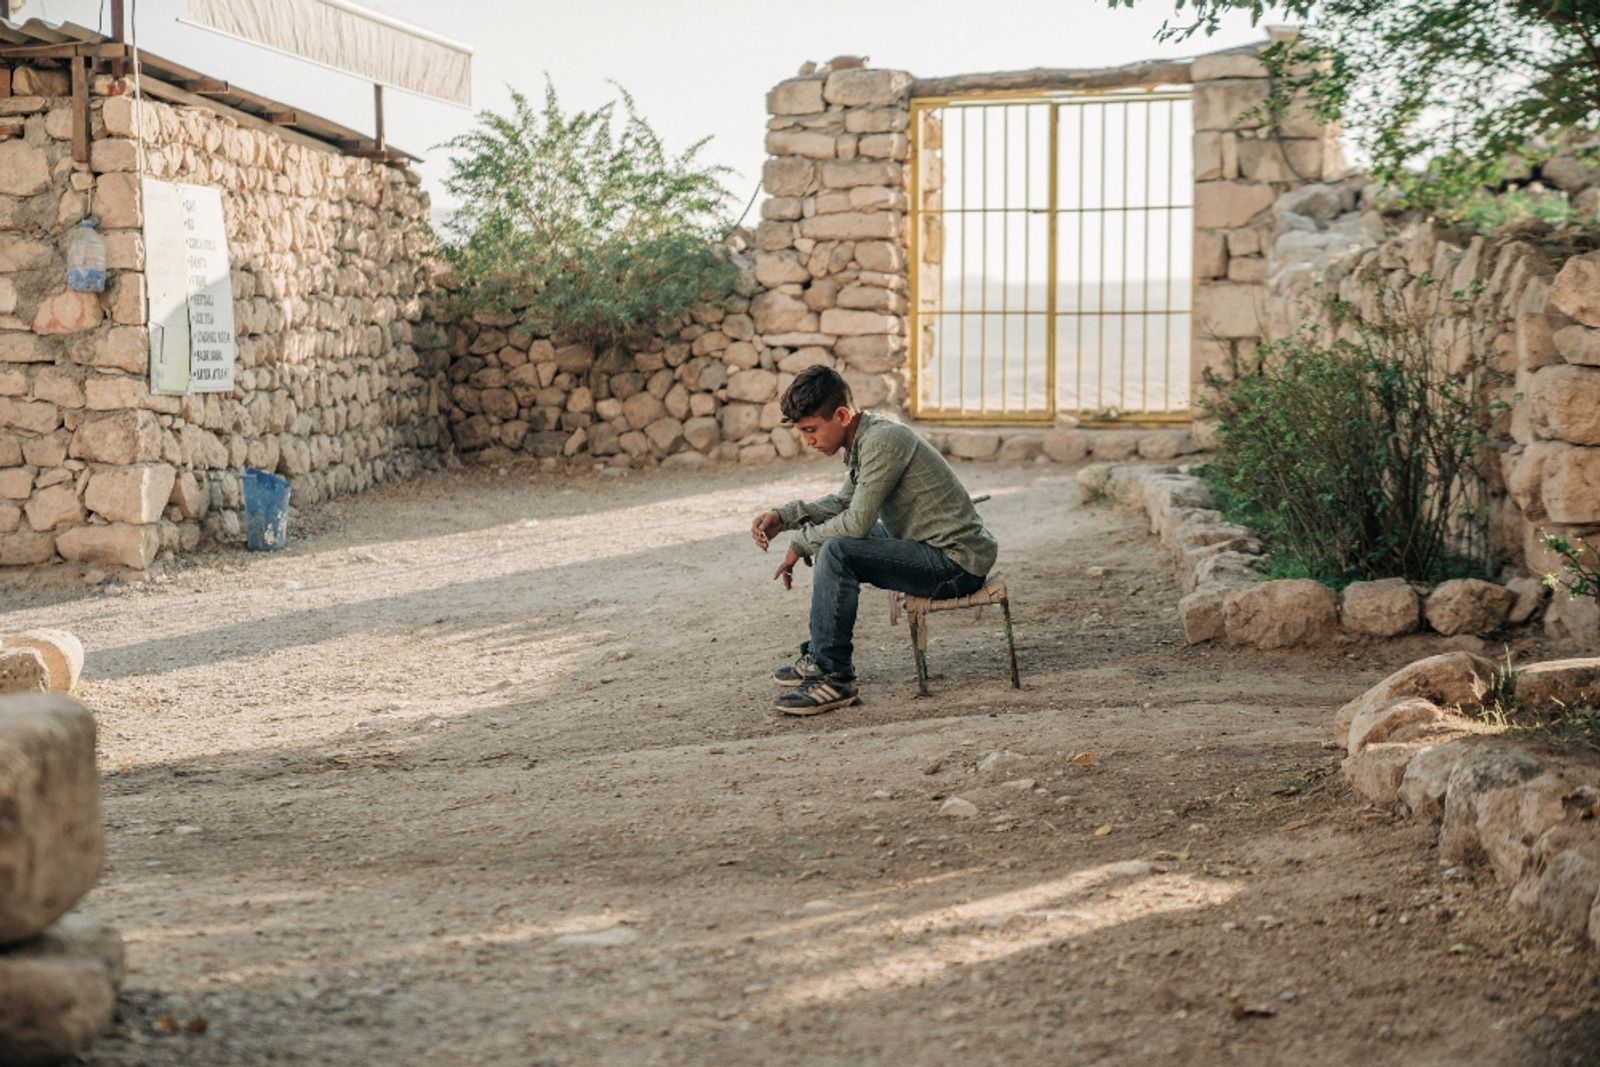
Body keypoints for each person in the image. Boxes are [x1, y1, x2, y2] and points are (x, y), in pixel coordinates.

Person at [750, 366, 999, 715]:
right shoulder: (865, 437)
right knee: (836, 542)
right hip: (929, 546)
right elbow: (843, 504)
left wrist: (802, 543)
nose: (808, 441)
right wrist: (787, 515)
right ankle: (822, 658)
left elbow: (854, 523)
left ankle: (834, 677)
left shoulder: (882, 441)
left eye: (811, 430)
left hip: (956, 563)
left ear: (840, 415)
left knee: (838, 549)